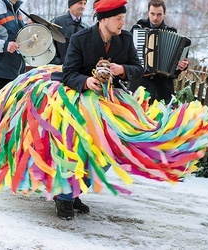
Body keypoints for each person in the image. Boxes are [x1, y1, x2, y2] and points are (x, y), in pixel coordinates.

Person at [56, 0, 144, 220]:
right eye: (118, 18)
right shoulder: (80, 39)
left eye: (123, 17)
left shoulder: (125, 39)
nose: (122, 22)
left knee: (106, 152)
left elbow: (138, 69)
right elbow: (68, 73)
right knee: (77, 149)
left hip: (110, 104)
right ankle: (65, 197)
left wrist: (122, 69)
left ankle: (75, 190)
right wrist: (86, 82)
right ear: (104, 19)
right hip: (79, 103)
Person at [128, 0, 189, 104]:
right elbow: (127, 54)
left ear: (164, 14)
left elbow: (175, 70)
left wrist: (182, 66)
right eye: (152, 14)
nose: (155, 18)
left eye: (159, 14)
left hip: (162, 89)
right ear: (148, 12)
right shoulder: (137, 29)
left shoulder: (172, 33)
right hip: (139, 85)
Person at [49, 0, 89, 65]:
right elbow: (48, 44)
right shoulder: (58, 22)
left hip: (77, 70)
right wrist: (58, 62)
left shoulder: (86, 28)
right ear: (71, 5)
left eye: (84, 4)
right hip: (57, 68)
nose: (83, 6)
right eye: (80, 3)